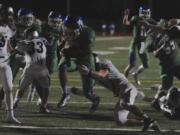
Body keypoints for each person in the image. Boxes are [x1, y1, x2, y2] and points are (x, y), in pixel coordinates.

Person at [78, 59, 160, 131]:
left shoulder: (104, 64)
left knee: (124, 103)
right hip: (124, 92)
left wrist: (89, 72)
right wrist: (79, 91)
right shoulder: (94, 75)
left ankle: (148, 119)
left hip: (126, 87)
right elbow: (90, 88)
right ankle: (146, 123)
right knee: (120, 120)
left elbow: (102, 75)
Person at [58, 15, 100, 113]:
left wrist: (68, 51)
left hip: (85, 59)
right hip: (73, 58)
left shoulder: (87, 33)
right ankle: (65, 93)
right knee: (61, 65)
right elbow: (63, 42)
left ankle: (95, 99)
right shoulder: (65, 30)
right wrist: (61, 49)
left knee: (87, 93)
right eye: (67, 29)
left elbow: (86, 52)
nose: (68, 32)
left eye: (71, 31)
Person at [144, 19, 180, 110]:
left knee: (165, 89)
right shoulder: (152, 39)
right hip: (167, 65)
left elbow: (173, 23)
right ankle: (157, 102)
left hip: (175, 63)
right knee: (165, 89)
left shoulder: (167, 32)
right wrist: (161, 48)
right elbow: (155, 54)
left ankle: (157, 99)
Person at [13, 29, 50, 114]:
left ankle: (15, 102)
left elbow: (16, 54)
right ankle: (43, 106)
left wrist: (19, 56)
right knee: (46, 88)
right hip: (42, 69)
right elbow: (44, 49)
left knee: (22, 88)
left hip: (30, 69)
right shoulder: (43, 40)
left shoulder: (23, 42)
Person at [123, 7, 155, 85]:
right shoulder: (136, 19)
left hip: (143, 44)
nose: (145, 16)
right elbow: (126, 23)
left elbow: (157, 27)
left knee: (146, 65)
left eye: (146, 14)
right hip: (135, 43)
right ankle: (124, 81)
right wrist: (126, 15)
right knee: (131, 64)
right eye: (143, 14)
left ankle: (136, 74)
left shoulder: (150, 20)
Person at [0, 13, 20, 123]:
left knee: (8, 89)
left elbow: (7, 43)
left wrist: (14, 52)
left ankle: (10, 116)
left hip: (4, 62)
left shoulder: (9, 29)